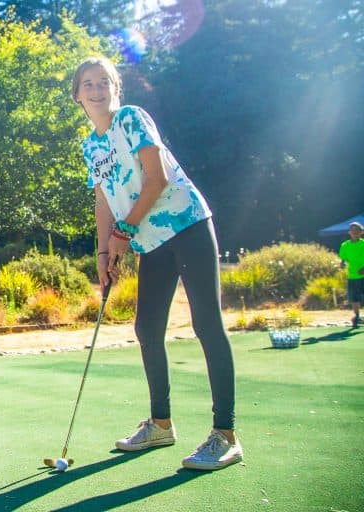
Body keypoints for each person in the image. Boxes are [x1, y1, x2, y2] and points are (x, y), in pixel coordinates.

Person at [71, 56, 241, 470]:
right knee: (147, 327)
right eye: (88, 84)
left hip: (187, 224)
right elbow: (103, 198)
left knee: (206, 324)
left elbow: (157, 178)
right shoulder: (90, 145)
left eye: (104, 82)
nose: (97, 90)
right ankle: (161, 425)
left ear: (116, 88)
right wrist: (104, 253)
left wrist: (123, 233)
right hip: (151, 240)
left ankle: (225, 435)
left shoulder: (131, 118)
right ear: (76, 95)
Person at [339, 221, 364, 328]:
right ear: (349, 232)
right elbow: (343, 259)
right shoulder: (345, 245)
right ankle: (357, 316)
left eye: (357, 231)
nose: (354, 232)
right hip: (352, 276)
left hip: (363, 275)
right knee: (354, 298)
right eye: (352, 230)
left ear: (361, 232)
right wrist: (342, 264)